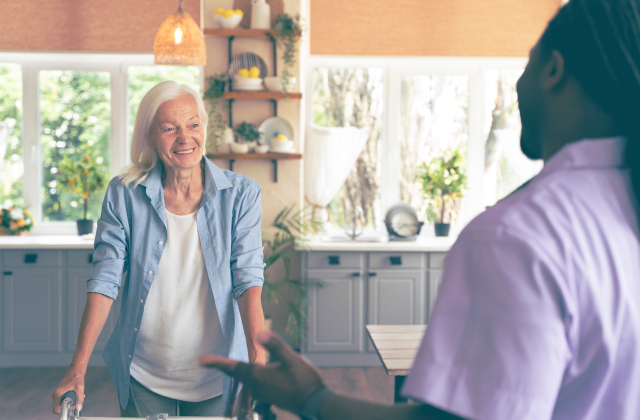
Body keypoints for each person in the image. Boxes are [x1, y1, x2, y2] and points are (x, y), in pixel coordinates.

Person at [201, 0, 640, 419]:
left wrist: (313, 399)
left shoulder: (519, 235)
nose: (518, 85)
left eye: (525, 62)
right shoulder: (621, 206)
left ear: (553, 69)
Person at [52, 81, 266, 417]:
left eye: (193, 125)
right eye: (170, 128)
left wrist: (257, 358)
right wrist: (77, 368)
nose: (185, 138)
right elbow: (105, 280)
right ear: (150, 136)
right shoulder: (125, 194)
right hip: (143, 376)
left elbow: (248, 280)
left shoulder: (241, 195)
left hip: (216, 378)